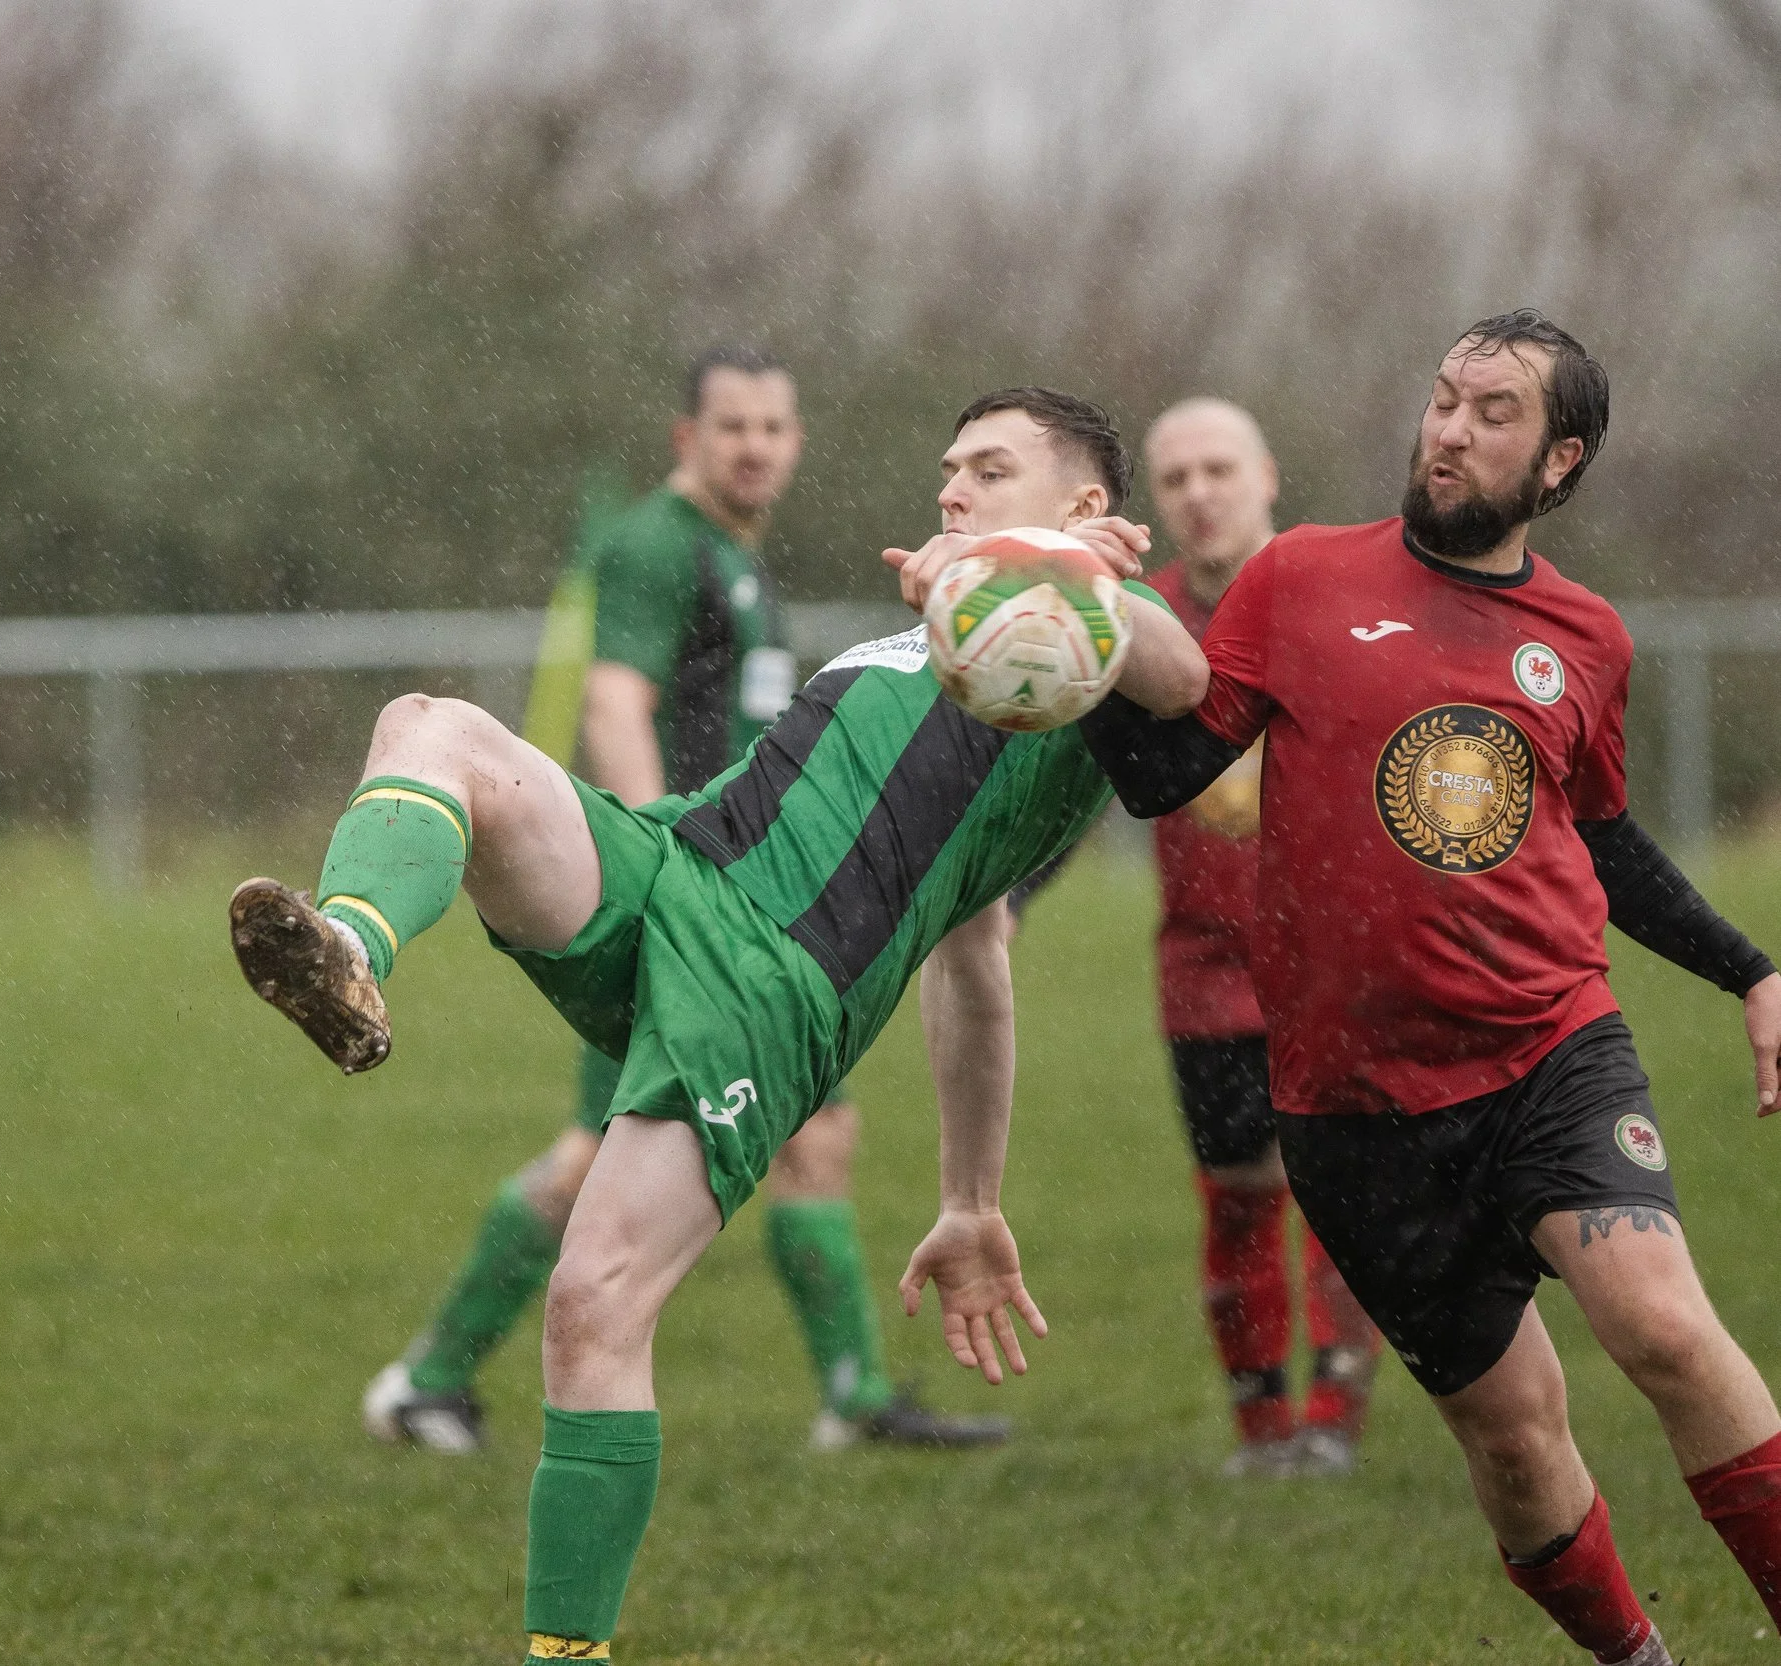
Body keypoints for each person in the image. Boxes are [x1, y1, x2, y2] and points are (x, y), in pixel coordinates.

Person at [230, 388, 1210, 1665]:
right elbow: (972, 955)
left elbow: (1171, 686)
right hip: (670, 867)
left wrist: (973, 1195)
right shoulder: (940, 634)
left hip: (772, 983)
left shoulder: (1082, 661)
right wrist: (977, 579)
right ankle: (351, 950)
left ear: (1086, 503)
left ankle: (562, 1654)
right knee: (432, 728)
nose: (952, 493)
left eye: (988, 468)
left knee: (592, 1304)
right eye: (947, 474)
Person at [1063, 310, 1781, 1666]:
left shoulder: (1586, 638)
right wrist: (1076, 645)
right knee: (1515, 1443)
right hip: (1350, 1102)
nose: (1450, 429)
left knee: (1668, 1331)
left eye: (1493, 411)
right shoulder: (1297, 579)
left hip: (1547, 1048)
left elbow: (1603, 835)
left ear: (1560, 459)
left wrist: (1750, 969)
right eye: (1445, 398)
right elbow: (1165, 773)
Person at [362, 345, 1001, 1456]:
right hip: (698, 902)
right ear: (685, 439)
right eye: (732, 426)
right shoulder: (659, 544)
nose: (754, 446)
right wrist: (671, 866)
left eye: (772, 427)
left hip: (760, 903)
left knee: (817, 1139)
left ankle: (853, 1399)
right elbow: (615, 702)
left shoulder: (734, 558)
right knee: (589, 1160)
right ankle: (424, 1380)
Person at [1138, 398, 1381, 1476]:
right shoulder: (1131, 627)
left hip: (1333, 955)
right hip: (1201, 967)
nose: (1199, 491)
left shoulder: (1332, 601)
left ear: (1267, 473)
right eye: (1176, 475)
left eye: (1217, 468)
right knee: (1237, 1191)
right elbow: (1060, 781)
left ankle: (1332, 1419)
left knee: (1337, 1185)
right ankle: (1260, 1430)